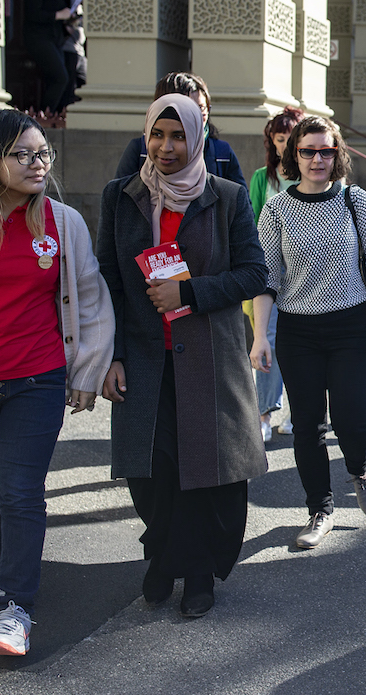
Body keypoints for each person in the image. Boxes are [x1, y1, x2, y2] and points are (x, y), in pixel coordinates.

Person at [98, 94, 268, 619]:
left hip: (208, 358)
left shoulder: (227, 197)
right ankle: (161, 554)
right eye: (157, 135)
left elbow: (255, 274)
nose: (166, 147)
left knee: (205, 471)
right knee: (151, 473)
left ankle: (196, 573)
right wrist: (112, 356)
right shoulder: (121, 196)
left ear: (197, 138)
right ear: (145, 136)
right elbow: (108, 283)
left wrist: (190, 292)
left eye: (178, 137)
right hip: (146, 358)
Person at [0, 110, 114, 656]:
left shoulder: (61, 222)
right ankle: (8, 573)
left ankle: (15, 610)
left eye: (42, 154)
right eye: (22, 155)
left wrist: (88, 372)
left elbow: (91, 299)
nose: (36, 164)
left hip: (37, 376)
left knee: (19, 490)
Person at [250, 116, 366, 550]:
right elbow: (266, 277)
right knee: (307, 425)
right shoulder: (276, 208)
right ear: (293, 154)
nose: (317, 159)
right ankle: (320, 509)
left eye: (325, 151)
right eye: (308, 151)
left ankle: (360, 467)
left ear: (337, 155)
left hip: (353, 325)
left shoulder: (355, 199)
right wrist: (260, 337)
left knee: (350, 417)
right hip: (298, 331)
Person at [248, 106, 304, 442]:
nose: (285, 145)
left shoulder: (313, 174)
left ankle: (301, 411)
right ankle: (264, 412)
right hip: (269, 274)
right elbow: (252, 223)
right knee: (266, 340)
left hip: (307, 276)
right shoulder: (261, 177)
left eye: (291, 137)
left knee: (301, 344)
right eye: (279, 138)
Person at [114, 72, 246, 188]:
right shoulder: (139, 151)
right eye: (187, 108)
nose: (166, 148)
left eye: (200, 108)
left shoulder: (222, 153)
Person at [22, 0, 77, 114]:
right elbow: (33, 14)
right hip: (39, 39)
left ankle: (52, 115)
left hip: (55, 40)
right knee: (60, 77)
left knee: (63, 78)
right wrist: (58, 15)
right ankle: (43, 115)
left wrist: (68, 22)